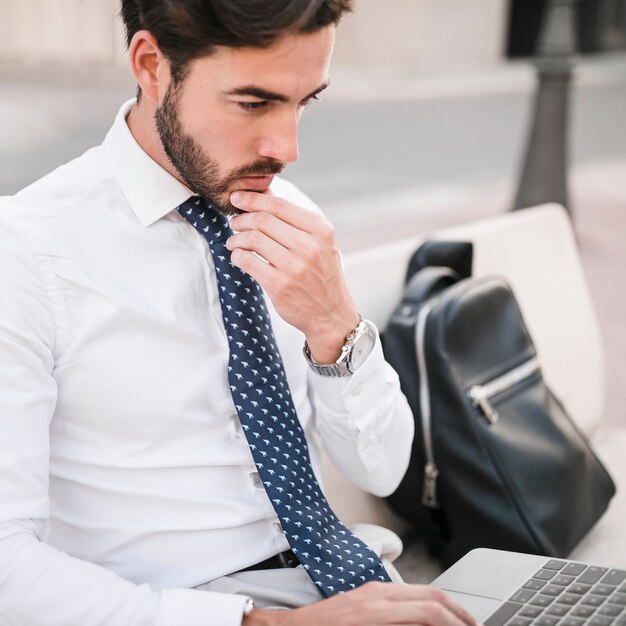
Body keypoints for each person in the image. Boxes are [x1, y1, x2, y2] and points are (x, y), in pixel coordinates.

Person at [0, 2, 479, 625]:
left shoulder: (286, 215)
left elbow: (385, 469)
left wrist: (335, 326)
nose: (287, 148)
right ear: (151, 65)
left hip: (352, 575)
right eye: (253, 103)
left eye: (305, 102)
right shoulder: (28, 252)